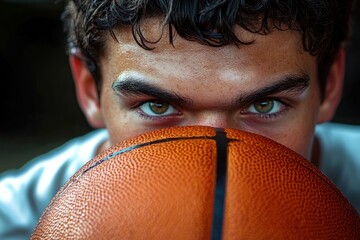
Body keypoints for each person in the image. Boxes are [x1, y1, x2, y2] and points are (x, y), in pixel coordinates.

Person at [1, 0, 359, 238]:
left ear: (330, 85)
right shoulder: (14, 222)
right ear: (89, 90)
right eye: (157, 106)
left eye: (265, 105)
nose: (207, 155)